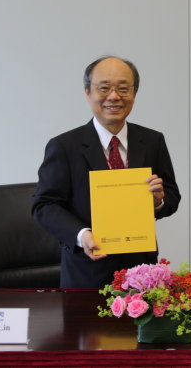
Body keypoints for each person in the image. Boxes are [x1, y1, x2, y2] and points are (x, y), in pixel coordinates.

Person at [32, 56, 180, 288]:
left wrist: (158, 201)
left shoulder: (152, 140)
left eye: (123, 88)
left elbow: (172, 197)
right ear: (87, 92)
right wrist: (82, 235)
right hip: (86, 272)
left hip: (142, 273)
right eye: (104, 88)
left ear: (134, 93)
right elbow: (44, 205)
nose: (114, 96)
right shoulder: (64, 146)